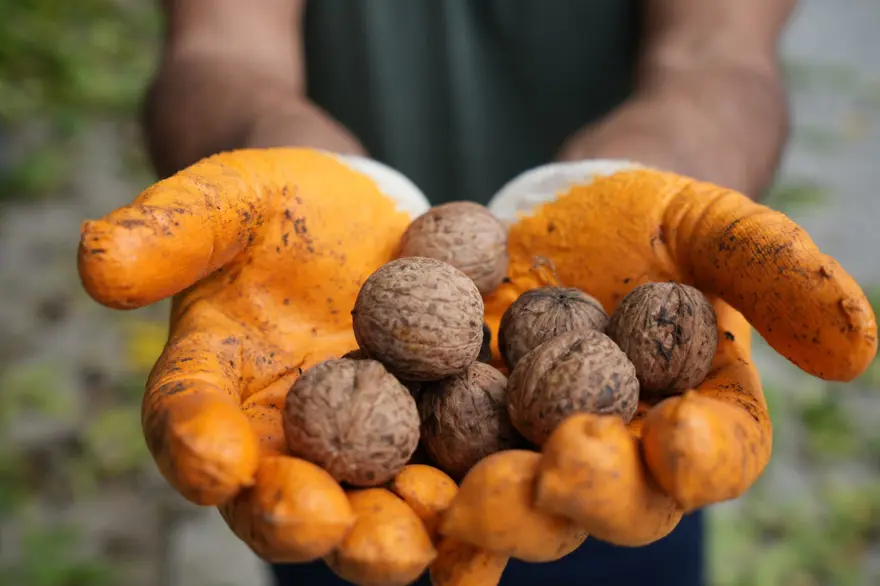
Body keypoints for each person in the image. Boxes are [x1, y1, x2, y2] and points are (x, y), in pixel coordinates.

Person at [141, 1, 798, 585]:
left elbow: (723, 54)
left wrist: (662, 167)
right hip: (333, 466)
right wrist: (264, 147)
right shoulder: (390, 362)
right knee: (330, 535)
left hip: (629, 451)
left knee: (624, 494)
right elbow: (218, 48)